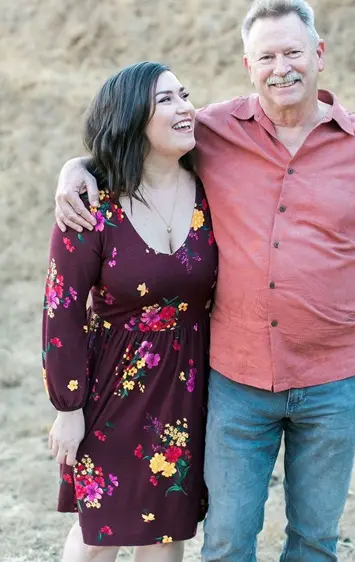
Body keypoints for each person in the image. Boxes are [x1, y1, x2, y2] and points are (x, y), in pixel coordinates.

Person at [54, 1, 355, 560]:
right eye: (267, 56)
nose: (282, 67)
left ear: (319, 55)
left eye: (293, 52)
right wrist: (78, 168)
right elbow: (142, 131)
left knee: (314, 539)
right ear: (247, 65)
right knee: (227, 540)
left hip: (335, 380)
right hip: (236, 379)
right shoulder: (212, 131)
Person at [42, 61, 218, 562]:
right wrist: (68, 408)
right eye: (166, 100)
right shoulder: (90, 204)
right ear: (129, 118)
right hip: (112, 387)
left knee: (167, 532)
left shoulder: (213, 182)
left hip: (190, 386)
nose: (185, 107)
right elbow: (62, 310)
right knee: (101, 532)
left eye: (185, 94)